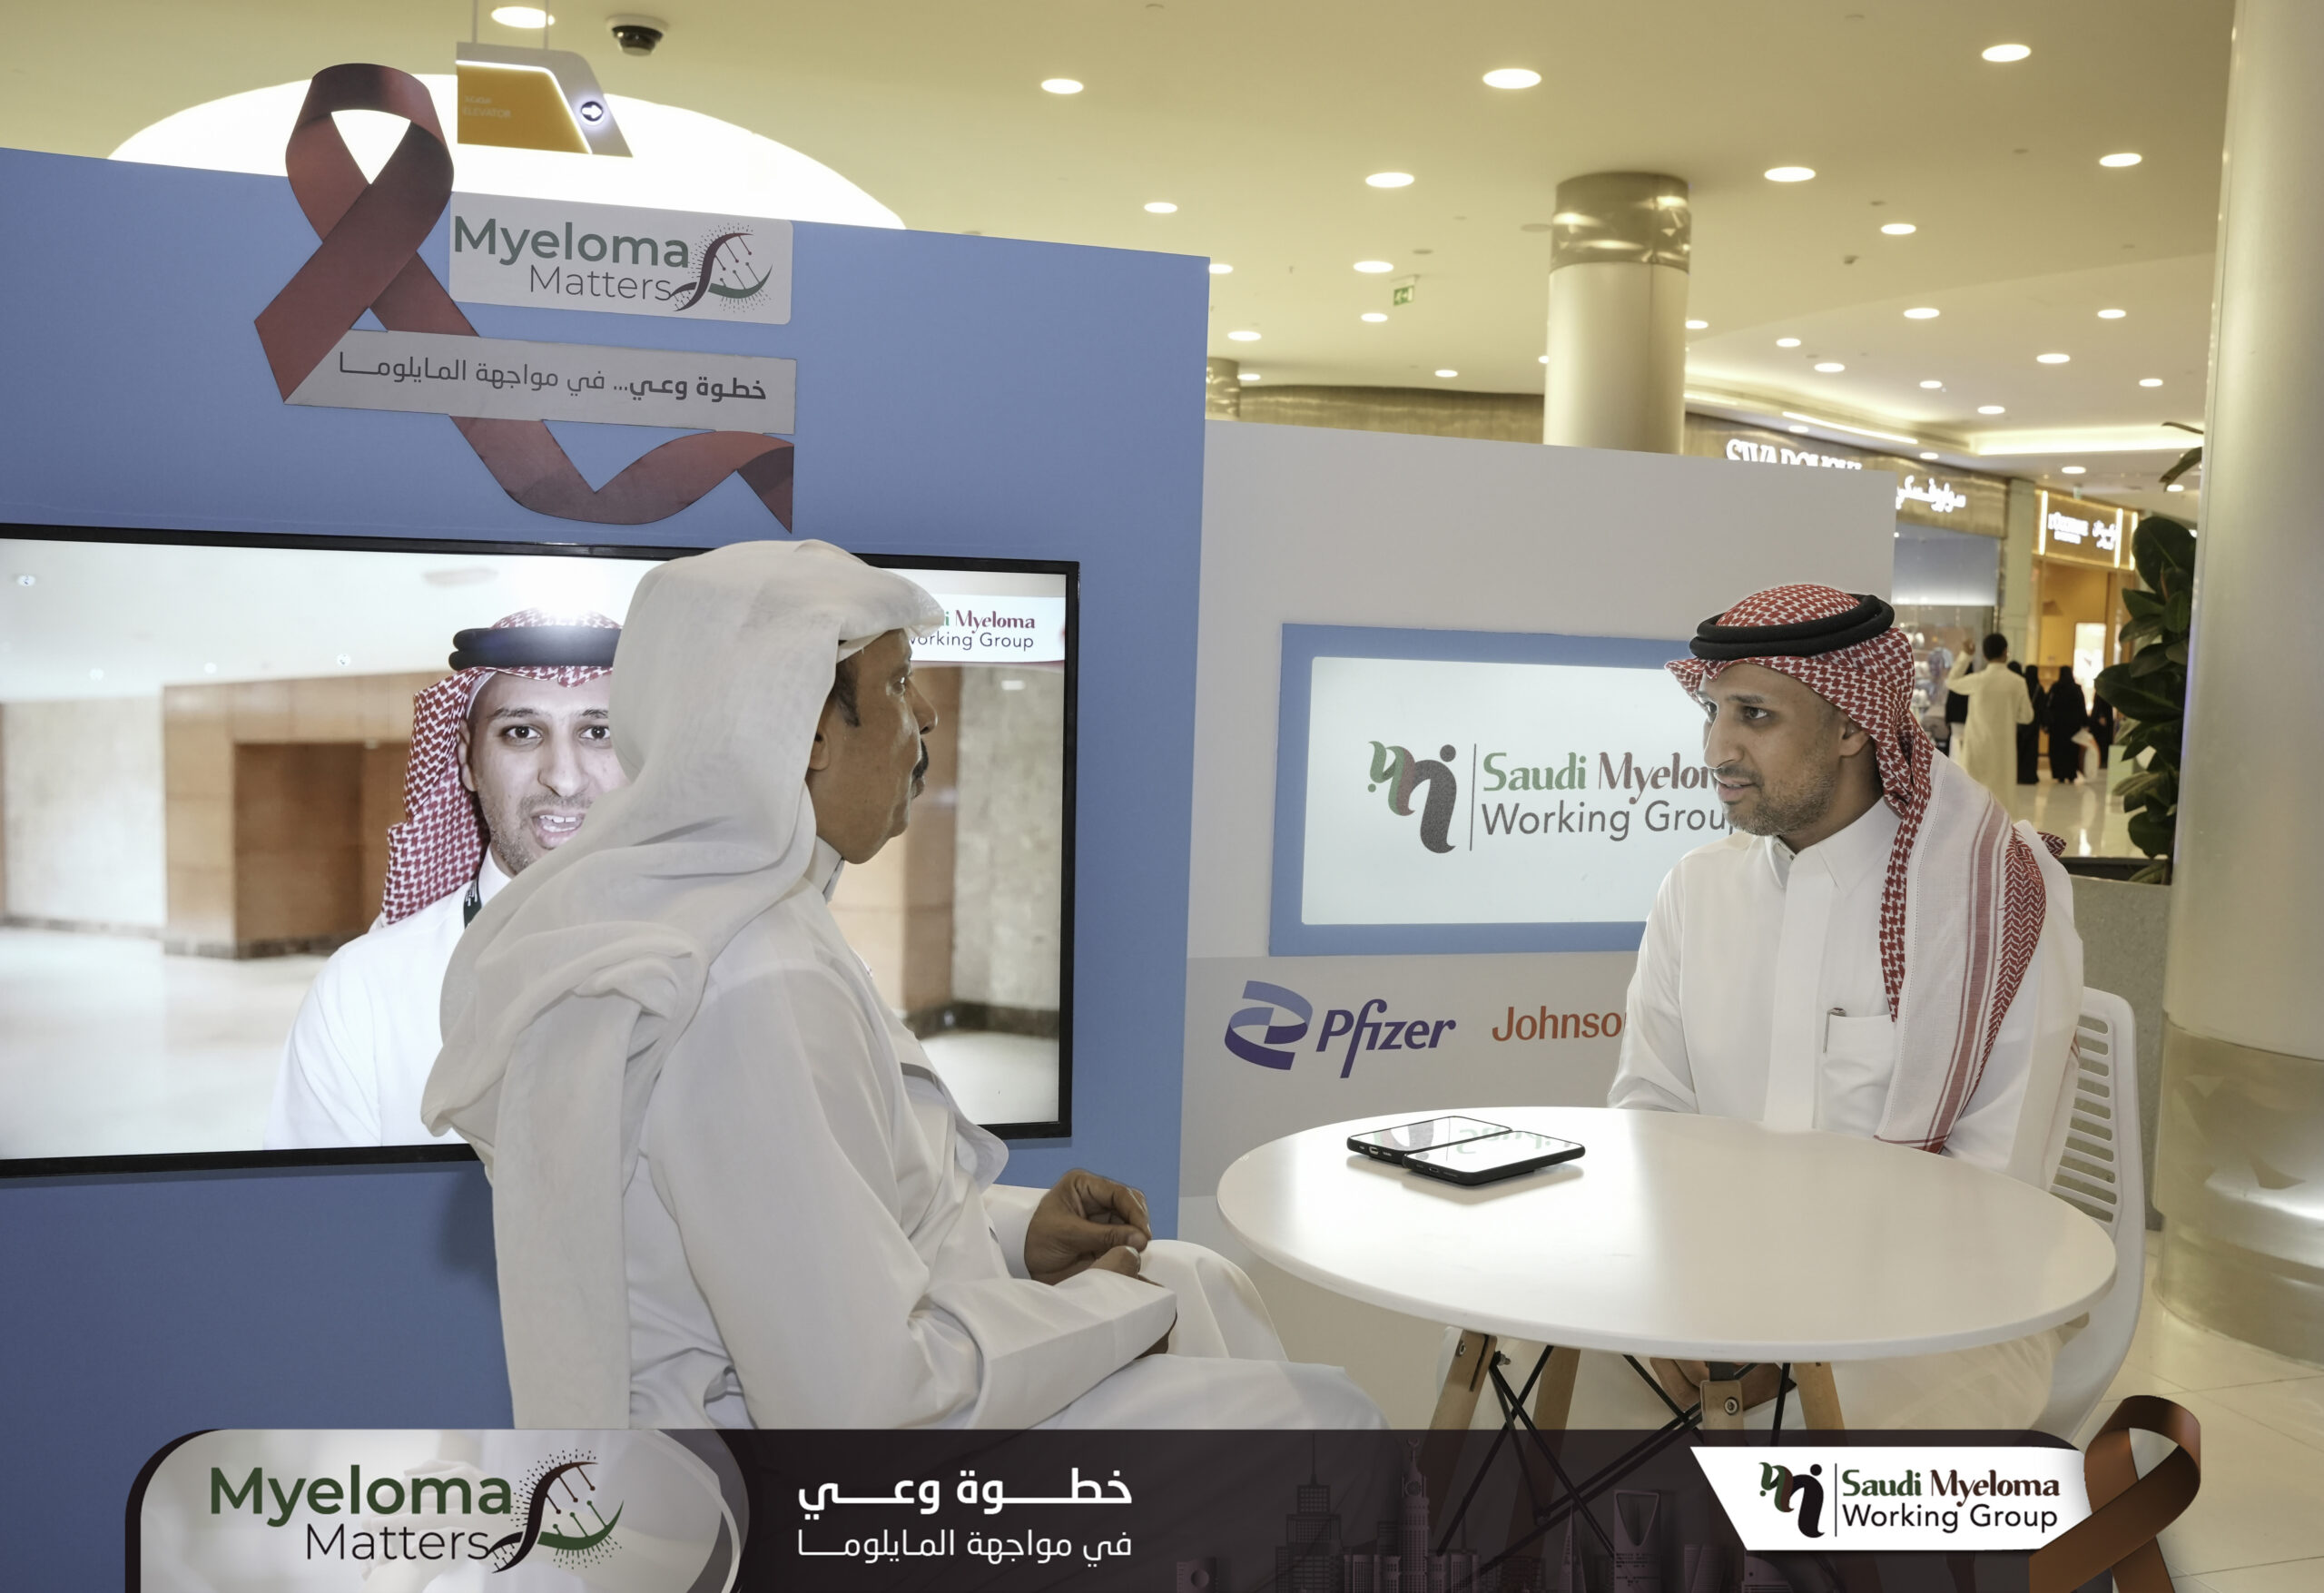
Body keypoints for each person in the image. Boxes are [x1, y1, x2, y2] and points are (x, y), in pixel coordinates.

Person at [424, 540, 1383, 1431]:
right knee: (1324, 1420)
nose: (925, 714)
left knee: (1202, 1281)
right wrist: (1109, 1305)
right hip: (805, 1492)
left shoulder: (738, 921)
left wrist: (1019, 1239)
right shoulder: (749, 980)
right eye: (894, 682)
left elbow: (832, 1225)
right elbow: (863, 1400)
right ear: (805, 729)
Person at [1609, 585, 2083, 1429]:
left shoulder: (1992, 899)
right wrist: (1682, 1301)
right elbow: (1651, 1116)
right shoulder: (1696, 890)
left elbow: (1992, 1189)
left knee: (1794, 1447)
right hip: (1722, 1290)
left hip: (1952, 1308)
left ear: (1854, 726)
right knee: (1516, 1377)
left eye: (1755, 715)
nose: (1717, 749)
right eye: (1713, 711)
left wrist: (1793, 1340)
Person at [265, 610, 625, 1148]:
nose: (564, 778)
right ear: (466, 760)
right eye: (522, 733)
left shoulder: (722, 961)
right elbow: (322, 1199)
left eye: (599, 732)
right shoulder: (364, 991)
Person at [1949, 634, 2033, 803]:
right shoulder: (2017, 682)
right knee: (2003, 799)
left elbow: (1952, 681)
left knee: (1975, 799)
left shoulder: (1979, 680)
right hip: (2003, 751)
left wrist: (1966, 656)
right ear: (2005, 652)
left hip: (1977, 748)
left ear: (1985, 655)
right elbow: (2027, 716)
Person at [2046, 666, 2090, 783]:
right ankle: (2071, 773)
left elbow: (2048, 705)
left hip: (2057, 727)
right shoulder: (2076, 689)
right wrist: (2085, 723)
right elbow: (2082, 707)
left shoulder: (2055, 688)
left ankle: (2059, 774)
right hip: (2073, 727)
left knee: (2058, 751)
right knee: (2071, 751)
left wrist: (2048, 723)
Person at [2014, 658, 2044, 785]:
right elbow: (2042, 707)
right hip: (2033, 724)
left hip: (2020, 723)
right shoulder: (2039, 688)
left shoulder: (2021, 685)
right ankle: (2030, 776)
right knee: (2031, 752)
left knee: (2019, 750)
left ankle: (2018, 775)